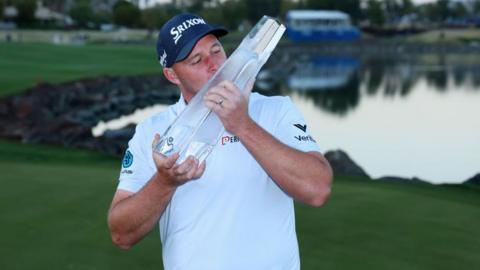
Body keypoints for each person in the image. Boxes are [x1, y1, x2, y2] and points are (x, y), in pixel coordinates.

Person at [108, 13, 333, 270]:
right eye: (196, 60)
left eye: (216, 50)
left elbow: (318, 189)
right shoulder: (154, 133)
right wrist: (164, 182)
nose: (214, 65)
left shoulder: (276, 110)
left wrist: (242, 124)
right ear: (172, 75)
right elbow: (121, 233)